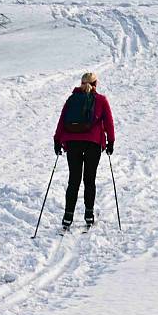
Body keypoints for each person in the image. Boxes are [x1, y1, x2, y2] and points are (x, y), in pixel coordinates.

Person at [53, 71, 115, 230]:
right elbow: (109, 122)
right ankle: (88, 215)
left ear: (81, 83)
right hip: (93, 144)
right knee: (89, 180)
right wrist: (111, 142)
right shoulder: (101, 100)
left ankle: (68, 217)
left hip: (72, 143)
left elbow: (62, 121)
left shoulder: (71, 99)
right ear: (96, 84)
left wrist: (57, 140)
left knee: (73, 180)